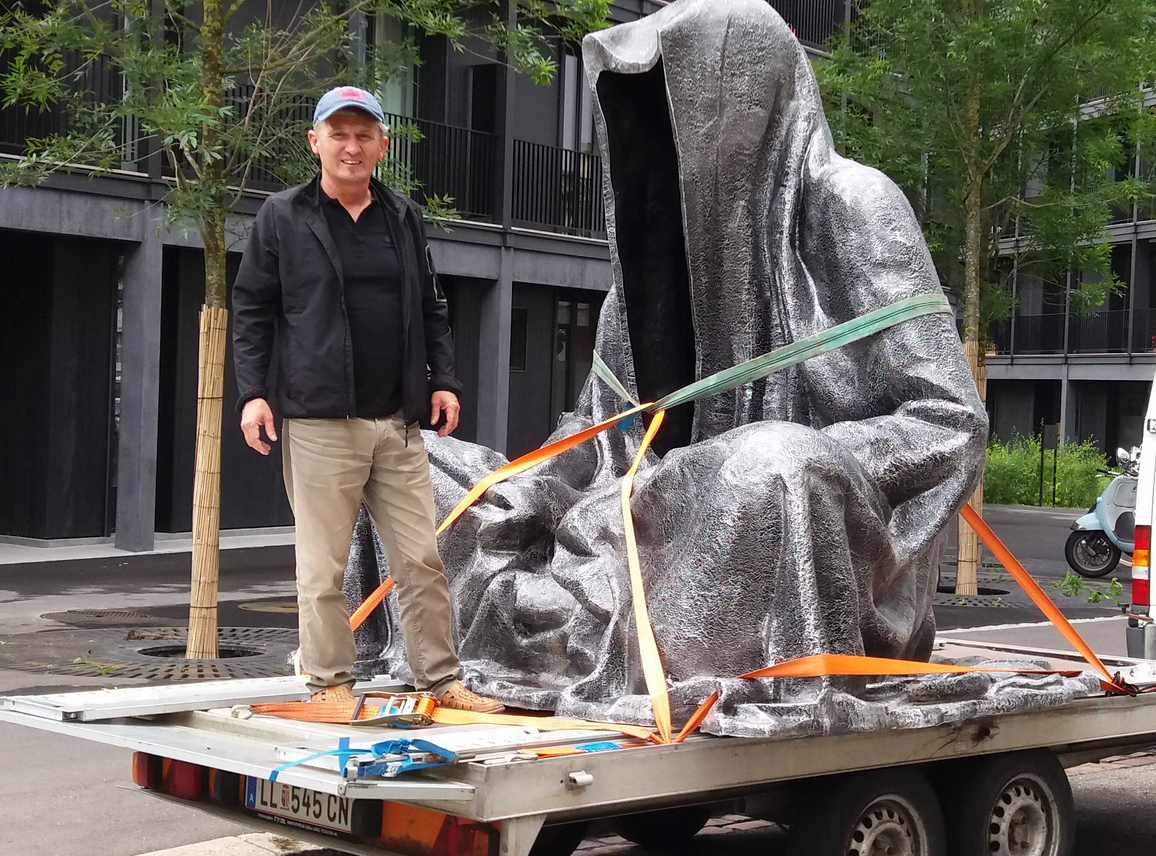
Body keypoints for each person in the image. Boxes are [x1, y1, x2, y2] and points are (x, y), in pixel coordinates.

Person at [231, 85, 504, 712]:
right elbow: (251, 310)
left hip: (397, 421)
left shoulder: (403, 217)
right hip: (319, 420)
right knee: (322, 571)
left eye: (363, 135)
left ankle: (440, 680)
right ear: (316, 142)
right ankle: (329, 684)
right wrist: (252, 394)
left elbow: (433, 304)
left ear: (382, 144)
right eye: (339, 134)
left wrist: (444, 379)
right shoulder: (282, 216)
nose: (351, 147)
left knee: (422, 560)